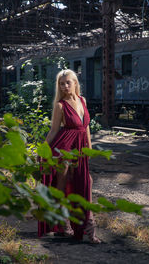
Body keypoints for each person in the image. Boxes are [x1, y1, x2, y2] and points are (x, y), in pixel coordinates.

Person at [38, 69, 101, 243]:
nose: (65, 86)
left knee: (86, 181)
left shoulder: (83, 101)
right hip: (64, 147)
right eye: (61, 83)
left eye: (68, 82)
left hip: (81, 147)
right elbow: (54, 130)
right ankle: (64, 223)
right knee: (62, 185)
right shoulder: (60, 105)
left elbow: (86, 126)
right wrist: (42, 149)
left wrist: (89, 148)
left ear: (75, 83)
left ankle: (88, 225)